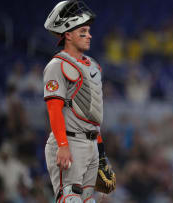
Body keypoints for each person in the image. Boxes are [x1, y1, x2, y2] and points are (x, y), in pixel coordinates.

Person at [43, 1, 109, 202]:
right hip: (69, 142)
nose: (89, 35)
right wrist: (62, 145)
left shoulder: (94, 66)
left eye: (88, 31)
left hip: (90, 143)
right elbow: (54, 109)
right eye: (83, 31)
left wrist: (102, 154)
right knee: (70, 197)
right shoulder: (57, 65)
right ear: (68, 35)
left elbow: (93, 117)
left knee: (88, 200)